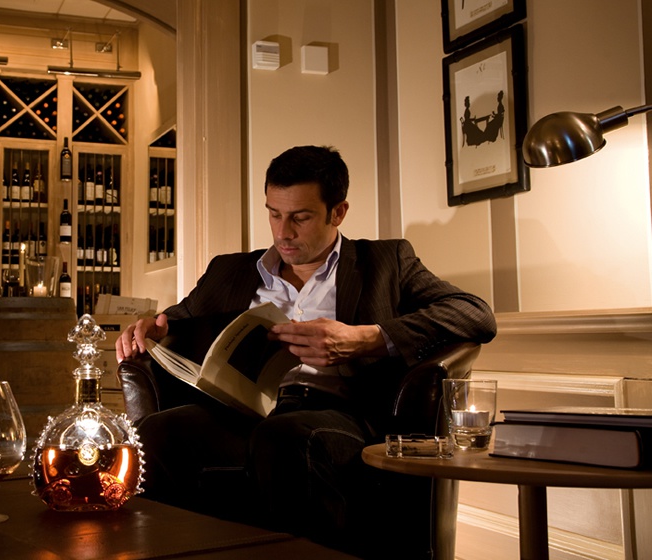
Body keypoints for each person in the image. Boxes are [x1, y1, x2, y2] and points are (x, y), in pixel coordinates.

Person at [115, 145, 496, 551]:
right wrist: (151, 328)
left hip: (338, 415)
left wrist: (364, 338)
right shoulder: (230, 271)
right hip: (242, 414)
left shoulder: (385, 261)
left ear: (338, 212)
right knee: (157, 432)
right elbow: (178, 318)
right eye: (274, 214)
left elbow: (475, 313)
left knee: (283, 437)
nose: (283, 232)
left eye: (300, 217)